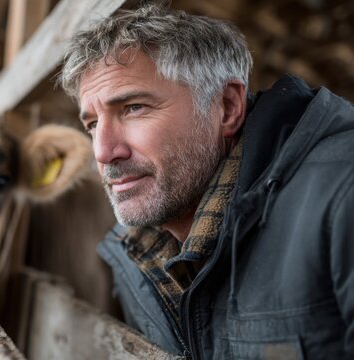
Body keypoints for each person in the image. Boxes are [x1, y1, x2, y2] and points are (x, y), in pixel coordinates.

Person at [60, 4, 353, 359]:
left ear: (227, 107)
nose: (104, 152)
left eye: (133, 107)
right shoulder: (136, 250)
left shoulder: (342, 196)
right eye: (91, 125)